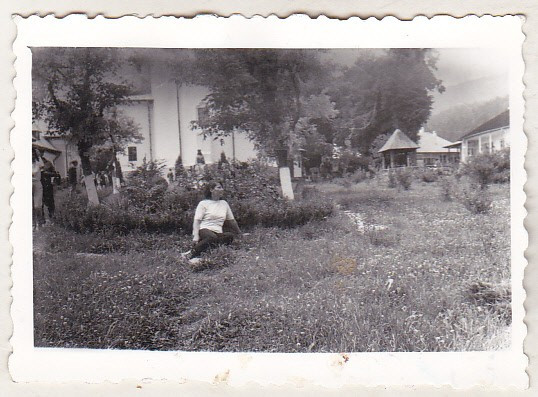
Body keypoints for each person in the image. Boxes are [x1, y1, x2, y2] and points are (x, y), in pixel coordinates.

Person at [182, 182, 241, 264]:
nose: (222, 189)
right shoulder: (203, 203)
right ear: (211, 190)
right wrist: (195, 235)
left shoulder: (224, 203)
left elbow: (232, 221)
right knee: (212, 238)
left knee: (229, 236)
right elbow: (197, 221)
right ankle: (190, 254)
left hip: (218, 232)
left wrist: (239, 233)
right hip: (204, 229)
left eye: (222, 187)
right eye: (219, 187)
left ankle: (204, 251)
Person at [40, 156, 59, 221]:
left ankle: (52, 216)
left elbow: (55, 173)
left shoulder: (48, 163)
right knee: (39, 203)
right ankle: (41, 219)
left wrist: (45, 173)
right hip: (38, 185)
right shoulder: (34, 163)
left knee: (50, 202)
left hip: (47, 185)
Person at [32, 147, 44, 229]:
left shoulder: (38, 163)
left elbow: (42, 166)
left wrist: (38, 155)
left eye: (33, 154)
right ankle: (33, 224)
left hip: (37, 183)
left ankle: (39, 223)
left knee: (37, 206)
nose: (32, 155)